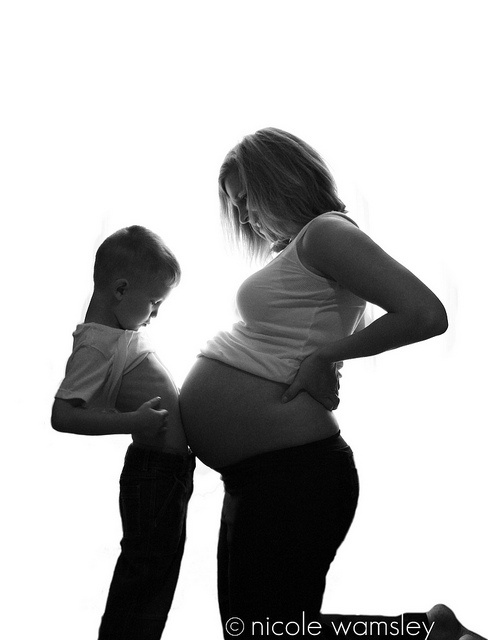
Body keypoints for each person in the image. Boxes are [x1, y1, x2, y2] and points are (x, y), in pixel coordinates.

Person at [179, 128, 482, 639]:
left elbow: (426, 313)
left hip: (294, 475)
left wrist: (328, 354)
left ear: (280, 177)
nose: (246, 215)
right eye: (236, 206)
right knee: (251, 630)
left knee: (270, 630)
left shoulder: (326, 233)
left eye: (247, 198)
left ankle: (432, 635)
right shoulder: (300, 247)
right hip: (259, 474)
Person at [51, 225, 194, 640]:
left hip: (168, 471)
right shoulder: (96, 343)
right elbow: (63, 415)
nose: (156, 313)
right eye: (153, 302)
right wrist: (132, 422)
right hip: (154, 473)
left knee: (155, 577)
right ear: (119, 291)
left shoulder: (116, 334)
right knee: (144, 579)